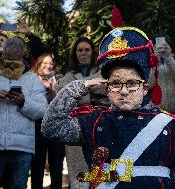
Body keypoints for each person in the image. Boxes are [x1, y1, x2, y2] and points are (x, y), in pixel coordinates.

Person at [42, 27, 175, 189]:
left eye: (132, 83)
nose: (124, 91)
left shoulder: (169, 125)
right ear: (106, 88)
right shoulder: (93, 122)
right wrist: (78, 87)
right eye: (116, 84)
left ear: (145, 88)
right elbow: (51, 127)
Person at [0, 37, 48, 189]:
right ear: (2, 54)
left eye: (16, 58)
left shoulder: (32, 80)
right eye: (8, 58)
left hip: (22, 149)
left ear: (22, 56)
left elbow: (42, 110)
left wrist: (23, 102)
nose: (12, 63)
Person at [55, 37, 109, 189]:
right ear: (75, 53)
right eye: (80, 50)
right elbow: (59, 90)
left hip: (102, 125)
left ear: (93, 53)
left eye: (87, 50)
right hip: (77, 127)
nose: (83, 53)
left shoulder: (103, 70)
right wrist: (92, 92)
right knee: (79, 177)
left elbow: (107, 87)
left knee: (105, 172)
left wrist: (77, 91)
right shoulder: (68, 75)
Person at [30, 53, 65, 189]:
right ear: (38, 64)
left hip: (56, 128)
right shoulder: (31, 80)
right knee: (37, 166)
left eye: (50, 63)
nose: (48, 66)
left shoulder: (59, 79)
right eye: (45, 63)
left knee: (56, 166)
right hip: (37, 127)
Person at [149, 40, 175, 123]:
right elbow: (149, 84)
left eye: (165, 46)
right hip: (157, 114)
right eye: (158, 47)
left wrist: (168, 58)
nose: (162, 49)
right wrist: (155, 61)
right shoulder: (149, 67)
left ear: (170, 48)